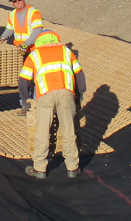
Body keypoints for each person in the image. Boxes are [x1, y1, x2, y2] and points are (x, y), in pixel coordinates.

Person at [18, 30, 85, 179]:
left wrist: (24, 102)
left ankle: (40, 168)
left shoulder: (34, 55)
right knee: (69, 130)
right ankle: (72, 168)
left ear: (39, 42)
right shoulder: (66, 51)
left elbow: (23, 80)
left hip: (46, 96)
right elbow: (79, 74)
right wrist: (79, 97)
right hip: (66, 94)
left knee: (42, 131)